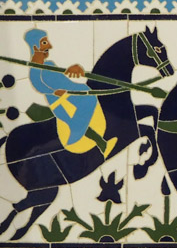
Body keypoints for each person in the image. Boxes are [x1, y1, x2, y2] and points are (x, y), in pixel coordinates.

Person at [24, 27, 115, 156]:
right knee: (80, 117)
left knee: (82, 114)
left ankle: (101, 143)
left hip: (71, 94)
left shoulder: (49, 64)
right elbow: (38, 84)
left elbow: (62, 79)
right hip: (62, 102)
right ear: (35, 47)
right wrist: (53, 91)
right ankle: (88, 138)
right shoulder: (35, 70)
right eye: (44, 43)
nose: (49, 46)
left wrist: (72, 70)